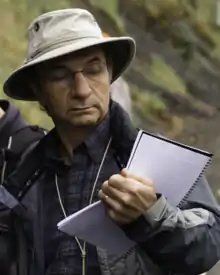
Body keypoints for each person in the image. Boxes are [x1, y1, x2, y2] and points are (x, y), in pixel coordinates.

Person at [0, 8, 220, 275]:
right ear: (38, 90)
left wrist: (153, 217)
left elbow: (209, 246)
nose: (82, 90)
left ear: (110, 74)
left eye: (94, 70)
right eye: (60, 76)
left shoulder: (158, 157)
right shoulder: (23, 176)